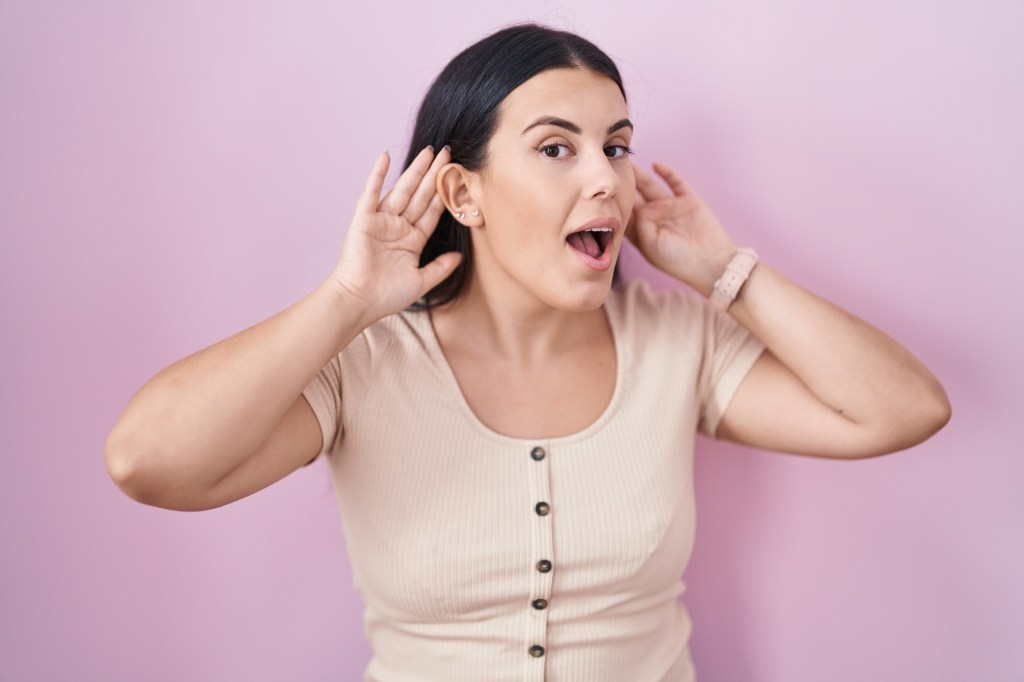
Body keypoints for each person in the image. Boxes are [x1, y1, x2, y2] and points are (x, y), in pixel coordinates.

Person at [105, 22, 951, 682]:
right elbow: (151, 463)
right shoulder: (364, 366)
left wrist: (723, 271)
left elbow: (903, 409)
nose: (606, 181)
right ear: (462, 193)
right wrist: (344, 304)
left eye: (615, 146)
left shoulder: (677, 343)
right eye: (557, 148)